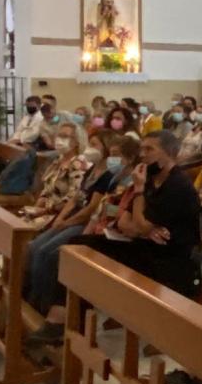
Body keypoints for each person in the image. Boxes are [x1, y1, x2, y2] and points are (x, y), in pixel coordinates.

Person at [24, 135, 140, 330]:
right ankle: (33, 297)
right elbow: (96, 205)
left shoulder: (127, 180)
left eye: (116, 155)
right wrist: (64, 220)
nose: (113, 159)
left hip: (106, 232)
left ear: (129, 158)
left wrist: (84, 227)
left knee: (53, 255)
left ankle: (46, 306)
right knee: (36, 247)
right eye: (111, 155)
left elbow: (108, 209)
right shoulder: (112, 176)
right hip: (93, 224)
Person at [72, 130, 202, 297]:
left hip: (169, 257)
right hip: (143, 246)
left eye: (149, 150)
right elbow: (124, 222)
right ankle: (68, 314)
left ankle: (95, 314)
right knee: (79, 244)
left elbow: (140, 225)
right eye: (142, 149)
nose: (142, 155)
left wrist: (139, 193)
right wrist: (145, 229)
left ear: (169, 153)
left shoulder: (177, 185)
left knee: (98, 259)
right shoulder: (149, 178)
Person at [17, 122, 94, 228]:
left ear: (77, 142)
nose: (59, 139)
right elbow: (46, 190)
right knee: (14, 224)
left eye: (65, 136)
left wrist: (44, 211)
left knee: (23, 229)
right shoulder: (58, 160)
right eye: (59, 135)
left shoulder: (78, 164)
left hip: (59, 215)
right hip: (45, 211)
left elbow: (72, 198)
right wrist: (34, 209)